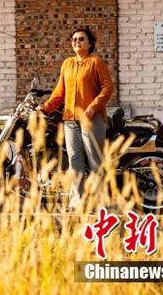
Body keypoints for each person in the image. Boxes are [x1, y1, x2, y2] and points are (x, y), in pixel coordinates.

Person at [41, 26, 114, 205]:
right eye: (74, 39)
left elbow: (108, 87)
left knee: (94, 160)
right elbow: (60, 92)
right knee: (74, 160)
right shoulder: (67, 63)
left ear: (90, 44)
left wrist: (93, 107)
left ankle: (100, 202)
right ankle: (77, 201)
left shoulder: (95, 62)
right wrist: (45, 108)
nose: (77, 42)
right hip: (70, 119)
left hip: (91, 119)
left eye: (81, 39)